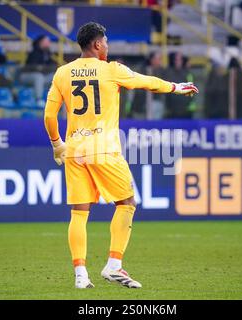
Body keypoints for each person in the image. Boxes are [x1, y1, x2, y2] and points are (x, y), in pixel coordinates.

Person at [43, 22, 198, 289]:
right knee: (127, 202)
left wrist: (57, 144)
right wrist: (176, 87)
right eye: (106, 42)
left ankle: (81, 276)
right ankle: (114, 266)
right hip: (104, 148)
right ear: (97, 44)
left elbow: (48, 116)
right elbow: (146, 83)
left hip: (74, 150)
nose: (108, 46)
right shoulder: (111, 70)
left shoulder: (62, 73)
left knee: (79, 213)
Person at [19, 35, 56, 106]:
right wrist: (43, 69)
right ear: (41, 42)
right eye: (47, 41)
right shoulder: (34, 53)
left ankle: (55, 100)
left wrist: (44, 69)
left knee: (55, 77)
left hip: (41, 77)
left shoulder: (47, 53)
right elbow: (33, 68)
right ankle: (38, 99)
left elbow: (51, 66)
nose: (49, 43)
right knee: (39, 76)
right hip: (26, 76)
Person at [130, 51, 165, 119]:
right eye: (158, 59)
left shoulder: (162, 72)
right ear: (152, 60)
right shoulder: (142, 71)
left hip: (155, 103)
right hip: (140, 105)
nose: (160, 61)